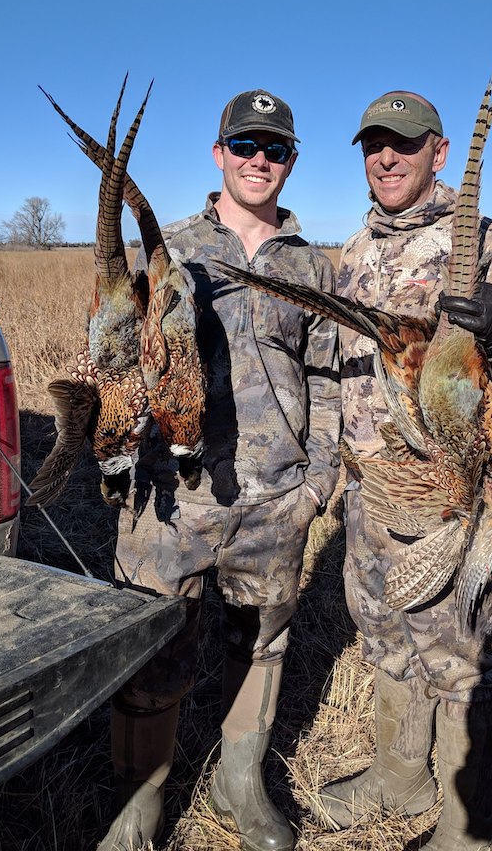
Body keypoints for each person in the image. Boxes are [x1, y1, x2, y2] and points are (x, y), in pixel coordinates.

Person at [316, 90, 492, 849]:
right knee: (384, 635)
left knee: (461, 661)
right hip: (369, 500)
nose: (386, 157)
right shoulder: (353, 252)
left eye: (404, 143)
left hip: (452, 509)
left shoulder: (486, 242)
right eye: (373, 145)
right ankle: (399, 777)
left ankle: (464, 827)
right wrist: (333, 472)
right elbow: (335, 373)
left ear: (439, 152)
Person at [99, 90, 342, 851]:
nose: (260, 162)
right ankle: (138, 805)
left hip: (276, 498)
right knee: (151, 644)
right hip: (173, 501)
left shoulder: (313, 265)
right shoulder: (167, 248)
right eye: (246, 147)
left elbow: (330, 380)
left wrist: (318, 480)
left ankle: (241, 785)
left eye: (275, 150)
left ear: (292, 162)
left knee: (261, 642)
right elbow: (115, 362)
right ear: (219, 155)